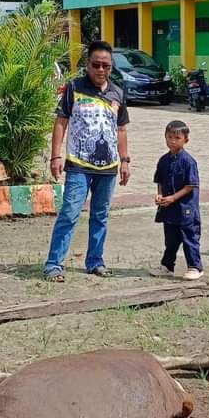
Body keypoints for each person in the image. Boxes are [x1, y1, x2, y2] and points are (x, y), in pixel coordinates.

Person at [44, 40, 130, 281]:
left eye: (106, 66)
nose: (101, 70)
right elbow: (61, 122)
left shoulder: (117, 93)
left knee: (100, 215)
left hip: (109, 167)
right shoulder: (74, 88)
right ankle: (53, 264)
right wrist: (55, 156)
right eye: (96, 65)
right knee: (69, 214)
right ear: (87, 65)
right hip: (79, 166)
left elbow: (121, 129)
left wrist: (125, 161)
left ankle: (95, 261)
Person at [152, 120, 203, 279]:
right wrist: (159, 195)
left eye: (177, 138)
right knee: (171, 240)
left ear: (185, 140)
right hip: (168, 208)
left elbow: (191, 185)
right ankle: (167, 265)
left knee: (189, 237)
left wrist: (173, 198)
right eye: (169, 137)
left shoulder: (188, 161)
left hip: (185, 208)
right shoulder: (163, 160)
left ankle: (195, 266)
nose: (172, 141)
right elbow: (159, 180)